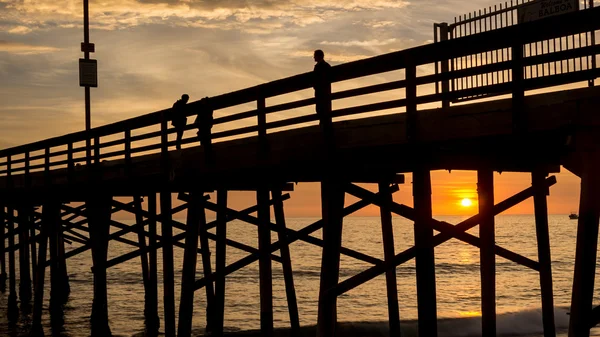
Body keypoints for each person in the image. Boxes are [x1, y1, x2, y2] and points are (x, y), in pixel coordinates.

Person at [313, 49, 334, 145]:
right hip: (323, 93)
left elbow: (316, 81)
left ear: (319, 56)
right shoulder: (325, 66)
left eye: (315, 55)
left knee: (322, 111)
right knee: (322, 111)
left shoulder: (322, 67)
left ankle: (324, 132)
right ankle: (324, 129)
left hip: (322, 93)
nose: (314, 57)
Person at [194, 97, 214, 164]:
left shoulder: (202, 110)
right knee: (207, 144)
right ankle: (208, 159)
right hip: (206, 128)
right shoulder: (208, 110)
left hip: (204, 128)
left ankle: (207, 159)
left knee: (204, 144)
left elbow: (196, 122)